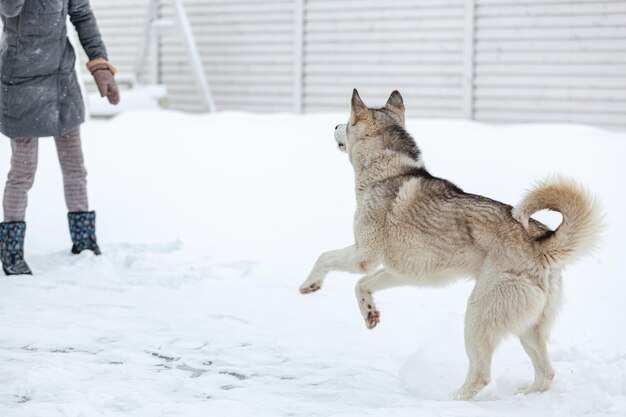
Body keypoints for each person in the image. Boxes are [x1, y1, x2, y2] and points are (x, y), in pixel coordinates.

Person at [0, 0, 119, 275]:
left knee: (75, 167)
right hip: (21, 84)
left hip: (61, 82)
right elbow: (9, 9)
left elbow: (82, 15)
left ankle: (84, 241)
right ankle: (11, 250)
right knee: (22, 173)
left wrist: (99, 66)